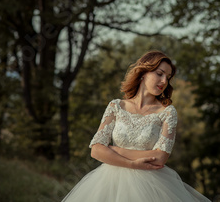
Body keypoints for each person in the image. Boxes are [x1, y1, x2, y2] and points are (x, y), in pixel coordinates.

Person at [60, 50, 212, 202]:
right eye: (160, 74)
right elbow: (96, 150)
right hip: (108, 183)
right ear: (143, 73)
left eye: (168, 77)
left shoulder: (167, 112)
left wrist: (113, 150)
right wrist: (131, 164)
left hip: (152, 186)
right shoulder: (116, 106)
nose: (164, 81)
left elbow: (160, 158)